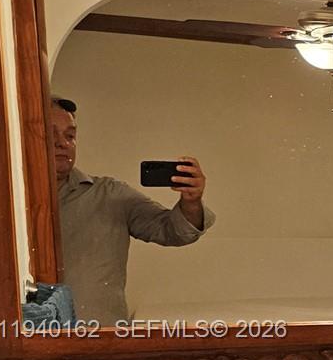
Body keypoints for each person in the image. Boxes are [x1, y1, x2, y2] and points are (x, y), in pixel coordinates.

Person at [50, 96, 214, 325]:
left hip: (102, 344)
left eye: (70, 135)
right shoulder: (7, 206)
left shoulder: (110, 196)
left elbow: (172, 231)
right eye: (51, 134)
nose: (63, 143)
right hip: (23, 341)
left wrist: (192, 201)